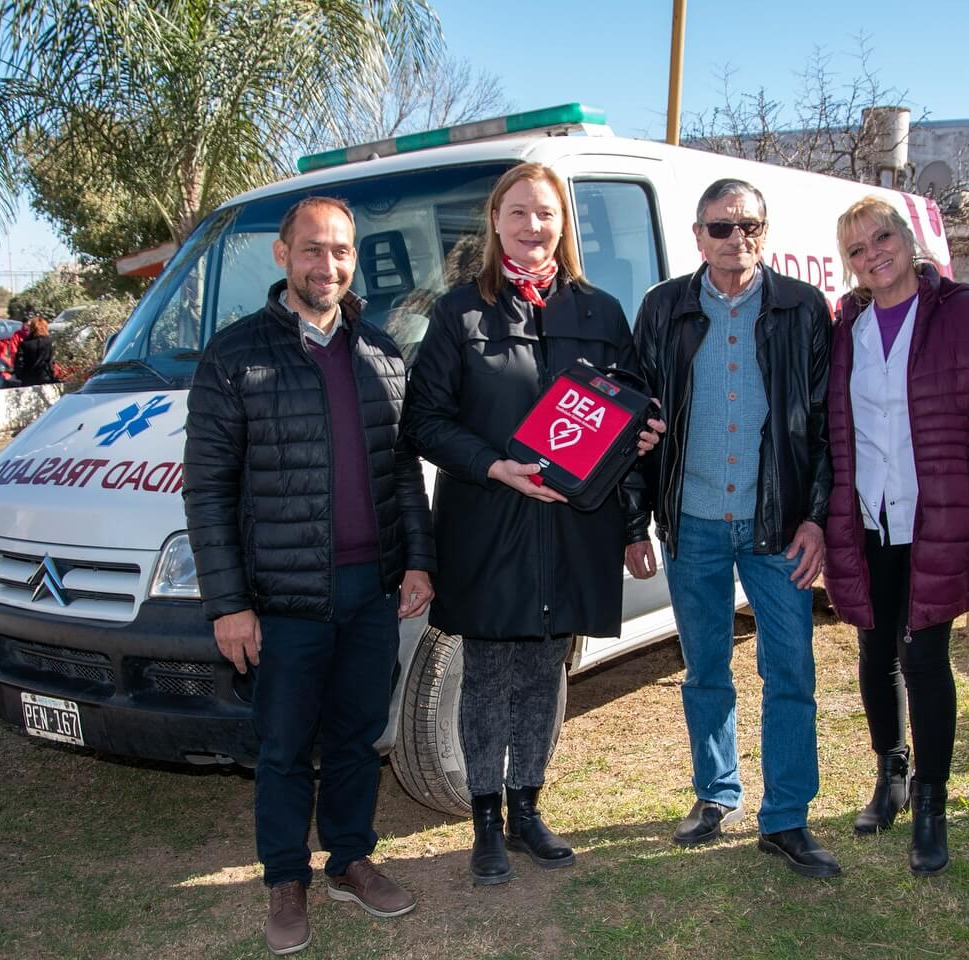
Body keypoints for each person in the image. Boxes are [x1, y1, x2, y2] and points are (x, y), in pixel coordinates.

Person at [183, 196, 436, 955]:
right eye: (313, 250)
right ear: (284, 256)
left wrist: (418, 559)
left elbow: (401, 473)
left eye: (341, 251)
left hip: (370, 591)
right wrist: (228, 604)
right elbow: (207, 489)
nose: (328, 265)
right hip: (282, 598)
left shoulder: (381, 352)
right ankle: (285, 878)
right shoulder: (235, 356)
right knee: (285, 747)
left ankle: (350, 859)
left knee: (357, 737)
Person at [403, 162, 659, 887]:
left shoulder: (602, 313)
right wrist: (493, 465)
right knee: (486, 674)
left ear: (563, 223)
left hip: (576, 529)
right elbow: (424, 421)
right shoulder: (460, 314)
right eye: (517, 212)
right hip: (489, 522)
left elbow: (629, 416)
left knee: (547, 669)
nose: (532, 225)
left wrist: (635, 497)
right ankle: (486, 820)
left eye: (545, 212)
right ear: (495, 221)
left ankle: (528, 808)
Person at [630, 178, 839, 878]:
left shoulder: (802, 309)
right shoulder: (663, 309)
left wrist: (816, 518)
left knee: (791, 670)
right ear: (698, 236)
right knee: (705, 670)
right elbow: (634, 423)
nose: (735, 238)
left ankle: (786, 818)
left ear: (764, 232)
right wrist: (634, 521)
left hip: (777, 527)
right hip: (691, 524)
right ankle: (716, 792)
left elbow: (826, 428)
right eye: (720, 227)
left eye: (748, 225)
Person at [826, 196, 969, 875]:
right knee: (874, 649)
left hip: (938, 520)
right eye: (856, 249)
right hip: (868, 518)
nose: (873, 254)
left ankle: (931, 801)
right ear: (848, 264)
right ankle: (890, 773)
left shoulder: (968, 316)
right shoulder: (846, 328)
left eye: (881, 237)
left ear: (908, 239)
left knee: (924, 657)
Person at [14, 313, 57, 386]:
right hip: (46, 378)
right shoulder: (49, 343)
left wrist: (20, 376)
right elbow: (51, 361)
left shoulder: (24, 344)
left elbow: (19, 362)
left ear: (31, 328)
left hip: (28, 379)